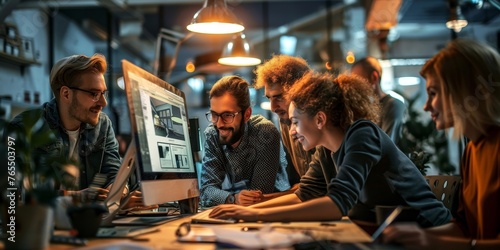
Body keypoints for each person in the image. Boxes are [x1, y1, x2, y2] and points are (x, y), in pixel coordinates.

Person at [209, 72, 451, 228]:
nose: (292, 132)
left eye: (295, 122)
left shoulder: (362, 134)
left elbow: (337, 204)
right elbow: (303, 194)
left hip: (430, 232)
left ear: (320, 120)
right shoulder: (325, 149)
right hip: (390, 231)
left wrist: (254, 216)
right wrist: (241, 211)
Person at [383, 39, 500, 248]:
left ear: (462, 90)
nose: (427, 106)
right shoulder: (473, 149)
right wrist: (416, 236)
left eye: (433, 93)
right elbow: (464, 228)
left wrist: (428, 239)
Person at [10, 53, 122, 197]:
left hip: (89, 217)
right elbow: (15, 193)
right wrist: (75, 197)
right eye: (94, 94)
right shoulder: (24, 127)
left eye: (103, 93)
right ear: (66, 94)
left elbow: (113, 172)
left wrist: (119, 194)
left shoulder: (103, 125)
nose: (103, 103)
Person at [200, 75, 290, 207]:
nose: (219, 124)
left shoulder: (265, 133)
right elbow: (206, 191)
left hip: (275, 208)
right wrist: (233, 198)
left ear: (247, 114)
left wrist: (228, 198)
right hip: (236, 208)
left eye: (227, 115)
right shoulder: (212, 135)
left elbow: (257, 198)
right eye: (214, 115)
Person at [253, 55, 334, 192]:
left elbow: (322, 190)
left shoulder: (323, 121)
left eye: (279, 97)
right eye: (269, 98)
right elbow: (303, 186)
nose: (273, 107)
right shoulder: (284, 120)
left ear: (301, 90)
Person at [351, 56, 406, 144]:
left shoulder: (393, 105)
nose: (354, 87)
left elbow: (386, 145)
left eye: (358, 81)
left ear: (374, 77)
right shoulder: (367, 109)